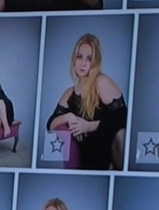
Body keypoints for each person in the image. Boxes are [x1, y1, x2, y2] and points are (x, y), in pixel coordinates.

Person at [47, 34, 127, 170]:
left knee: (120, 134)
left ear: (95, 62)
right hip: (86, 157)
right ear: (74, 59)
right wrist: (69, 117)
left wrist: (89, 126)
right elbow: (50, 124)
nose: (83, 63)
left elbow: (123, 116)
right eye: (79, 57)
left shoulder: (101, 82)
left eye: (89, 58)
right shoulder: (70, 93)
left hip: (106, 154)